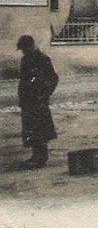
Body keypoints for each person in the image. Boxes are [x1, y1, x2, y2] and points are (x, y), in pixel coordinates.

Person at [16, 35, 59, 169]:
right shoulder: (25, 59)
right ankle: (36, 156)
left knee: (40, 130)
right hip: (28, 101)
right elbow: (23, 81)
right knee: (31, 130)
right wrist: (21, 97)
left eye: (24, 49)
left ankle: (41, 158)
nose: (23, 52)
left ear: (31, 46)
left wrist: (44, 95)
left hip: (39, 100)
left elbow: (53, 79)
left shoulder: (43, 59)